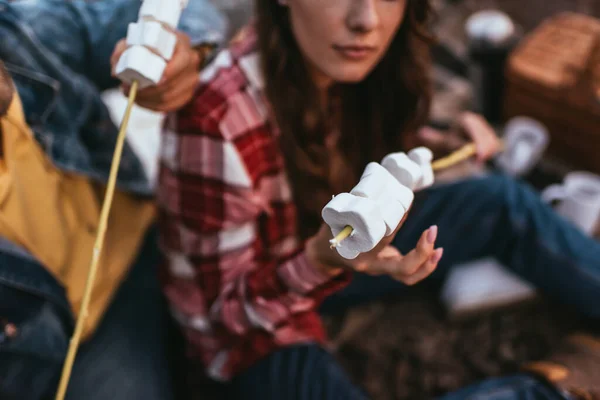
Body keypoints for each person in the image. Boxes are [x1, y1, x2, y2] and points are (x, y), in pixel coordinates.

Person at [143, 0, 600, 399]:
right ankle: (562, 387)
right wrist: (320, 262)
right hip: (251, 322)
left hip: (325, 241)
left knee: (499, 200)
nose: (366, 20)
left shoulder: (351, 58)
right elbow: (219, 318)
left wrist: (435, 146)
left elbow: (343, 146)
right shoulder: (212, 123)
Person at [0, 0, 226, 399]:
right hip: (80, 343)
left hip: (147, 232)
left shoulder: (18, 33)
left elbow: (187, 10)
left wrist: (181, 54)